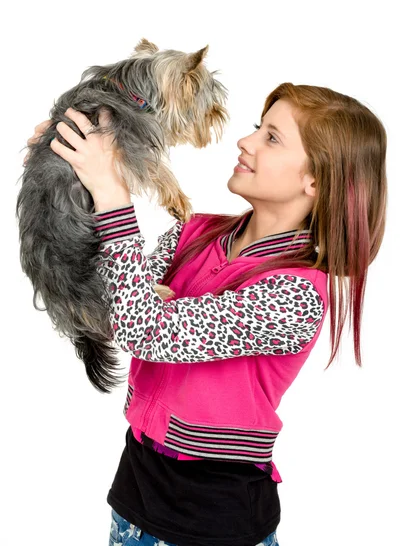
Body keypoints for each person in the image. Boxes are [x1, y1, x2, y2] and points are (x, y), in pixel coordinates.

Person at [24, 82, 387, 546]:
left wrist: (112, 192)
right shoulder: (191, 232)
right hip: (135, 496)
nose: (246, 141)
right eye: (258, 127)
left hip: (216, 524)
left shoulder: (296, 293)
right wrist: (64, 181)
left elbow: (144, 331)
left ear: (315, 180)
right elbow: (111, 307)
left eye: (271, 137)